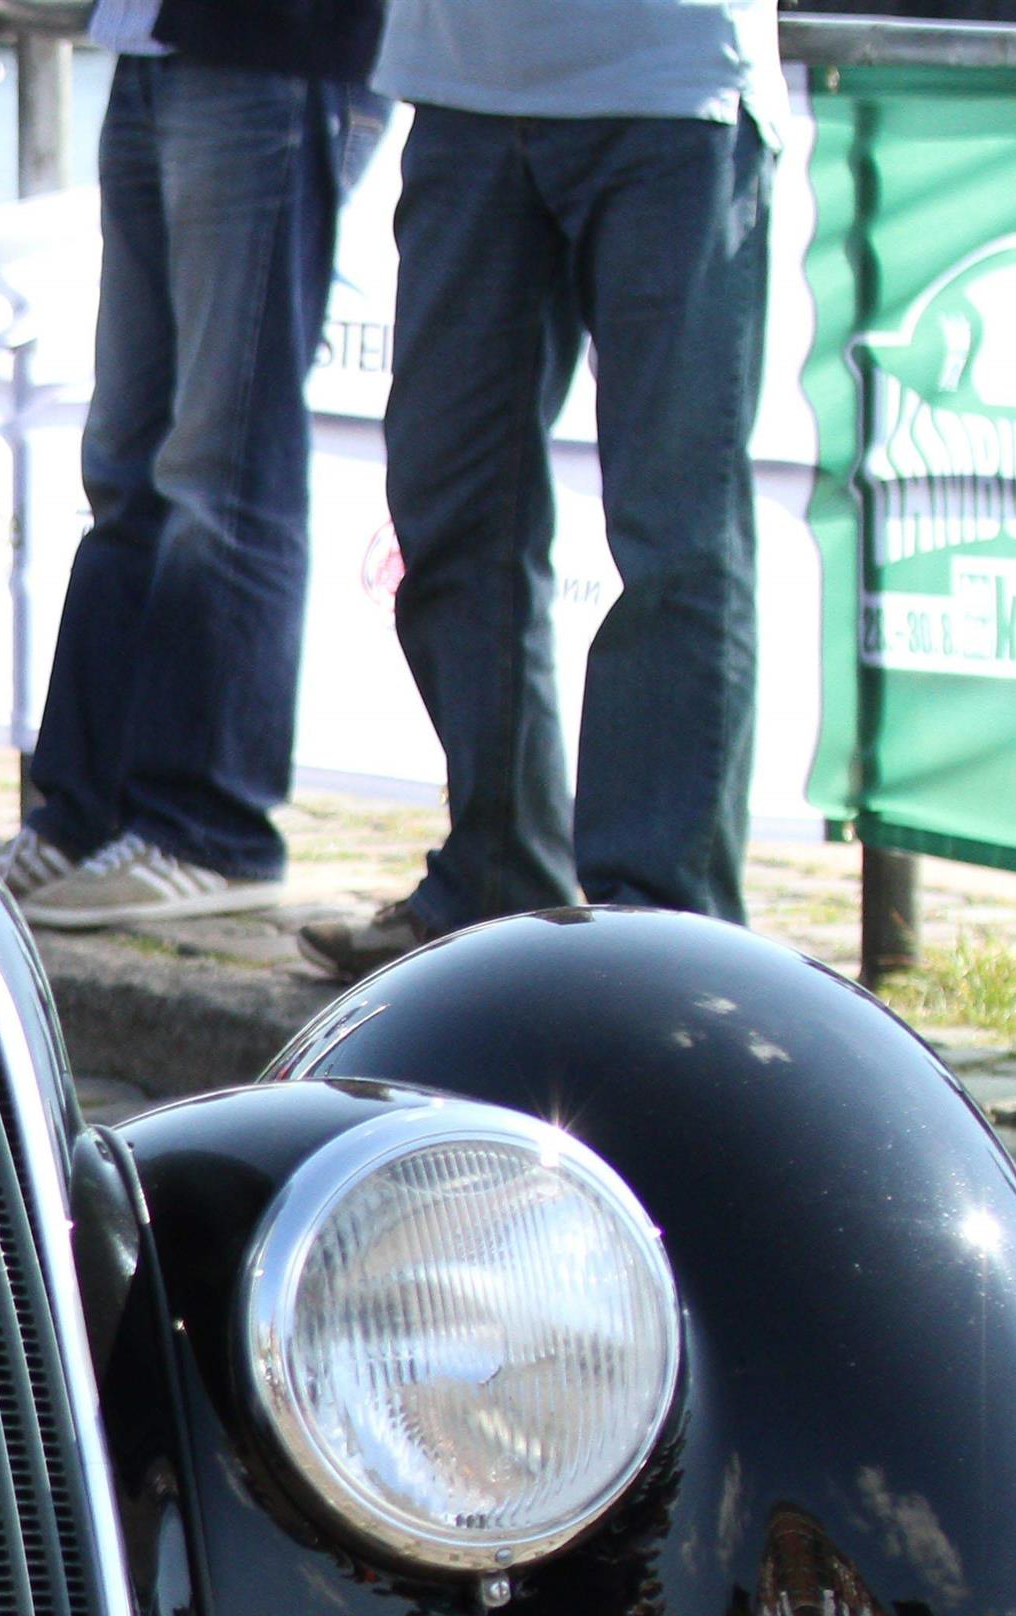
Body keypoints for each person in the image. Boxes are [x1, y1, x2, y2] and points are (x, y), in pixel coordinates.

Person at [296, 0, 780, 984]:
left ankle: (655, 928)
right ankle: (494, 878)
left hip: (672, 87)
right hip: (461, 84)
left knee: (673, 534)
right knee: (448, 506)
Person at [0, 0, 385, 932]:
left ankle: (210, 826)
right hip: (150, 41)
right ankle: (85, 812)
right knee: (126, 465)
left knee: (225, 464)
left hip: (270, 50)